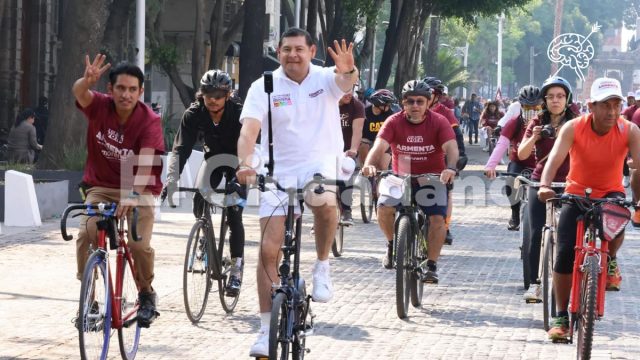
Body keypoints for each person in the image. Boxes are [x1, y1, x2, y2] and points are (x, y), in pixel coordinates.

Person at [234, 28, 359, 357]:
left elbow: (345, 84)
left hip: (319, 163)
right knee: (267, 252)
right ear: (278, 51)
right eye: (286, 49)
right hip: (277, 171)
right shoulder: (265, 86)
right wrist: (246, 162)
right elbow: (249, 130)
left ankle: (322, 265)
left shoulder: (324, 78)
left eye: (299, 49)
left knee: (321, 197)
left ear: (311, 50)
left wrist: (347, 69)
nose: (293, 54)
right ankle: (265, 330)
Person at [538, 77, 640, 341]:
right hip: (576, 192)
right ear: (591, 106)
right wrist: (545, 185)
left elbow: (638, 167)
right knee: (563, 255)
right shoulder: (573, 127)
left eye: (617, 105)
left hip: (611, 192)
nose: (612, 112)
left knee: (619, 222)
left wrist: (638, 201)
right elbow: (556, 158)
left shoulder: (630, 131)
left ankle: (611, 260)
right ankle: (561, 316)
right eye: (606, 105)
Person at [72, 55, 164, 328]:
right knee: (86, 233)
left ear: (140, 92)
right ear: (110, 90)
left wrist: (133, 195)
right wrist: (85, 81)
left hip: (140, 186)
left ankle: (146, 294)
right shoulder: (99, 106)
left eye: (132, 89)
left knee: (136, 244)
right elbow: (79, 93)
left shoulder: (149, 120)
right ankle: (88, 297)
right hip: (100, 186)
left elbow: (146, 161)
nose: (126, 94)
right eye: (120, 88)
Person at [362, 79, 458, 282]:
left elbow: (451, 148)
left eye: (420, 101)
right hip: (401, 176)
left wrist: (450, 167)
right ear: (403, 103)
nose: (415, 106)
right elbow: (378, 147)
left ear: (428, 102)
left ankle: (431, 265)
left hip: (432, 176)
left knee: (437, 220)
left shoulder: (439, 121)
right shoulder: (393, 121)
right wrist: (369, 164)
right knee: (384, 207)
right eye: (410, 101)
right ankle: (391, 244)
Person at [163, 69, 246, 295]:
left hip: (239, 162)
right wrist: (171, 179)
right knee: (200, 196)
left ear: (227, 95)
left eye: (218, 95)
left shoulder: (239, 113)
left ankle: (237, 268)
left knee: (234, 212)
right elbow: (181, 149)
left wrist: (243, 175)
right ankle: (204, 234)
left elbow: (250, 144)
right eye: (208, 93)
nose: (212, 99)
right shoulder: (194, 113)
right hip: (213, 160)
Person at [518, 76, 577, 303]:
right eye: (551, 96)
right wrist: (534, 136)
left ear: (567, 99)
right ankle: (534, 283)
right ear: (544, 100)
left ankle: (571, 281)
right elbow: (522, 154)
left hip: (572, 183)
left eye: (560, 96)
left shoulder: (577, 122)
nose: (555, 101)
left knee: (571, 235)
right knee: (536, 233)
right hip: (541, 181)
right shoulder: (537, 122)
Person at [484, 85, 541, 231]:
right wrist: (491, 166)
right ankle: (515, 214)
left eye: (536, 107)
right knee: (511, 182)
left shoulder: (546, 123)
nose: (532, 111)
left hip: (542, 165)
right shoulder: (515, 122)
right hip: (519, 162)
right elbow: (502, 144)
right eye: (528, 108)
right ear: (521, 106)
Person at [423, 76, 467, 245]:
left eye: (430, 93)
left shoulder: (446, 113)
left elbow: (457, 137)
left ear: (437, 96)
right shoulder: (413, 109)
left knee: (446, 192)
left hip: (441, 159)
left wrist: (460, 156)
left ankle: (445, 226)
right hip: (416, 157)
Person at [338, 87, 365, 225]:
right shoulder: (325, 103)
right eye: (344, 90)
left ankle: (346, 210)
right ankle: (320, 217)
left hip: (347, 148)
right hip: (326, 148)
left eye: (350, 89)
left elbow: (358, 130)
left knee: (347, 173)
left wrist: (353, 149)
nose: (348, 93)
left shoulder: (357, 106)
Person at [358, 89, 397, 168]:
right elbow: (359, 133)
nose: (389, 106)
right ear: (379, 103)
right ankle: (365, 169)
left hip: (383, 142)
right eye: (387, 104)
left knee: (382, 167)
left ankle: (380, 177)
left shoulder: (389, 114)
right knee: (363, 144)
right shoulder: (365, 112)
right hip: (368, 141)